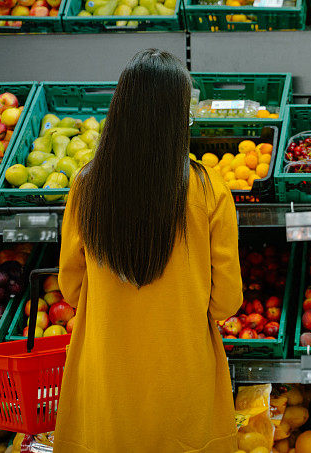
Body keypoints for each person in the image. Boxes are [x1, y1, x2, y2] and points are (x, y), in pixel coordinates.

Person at [54, 49, 243, 453]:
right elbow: (227, 300)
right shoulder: (210, 191)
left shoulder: (86, 186)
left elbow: (71, 287)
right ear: (178, 118)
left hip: (108, 375)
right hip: (181, 374)